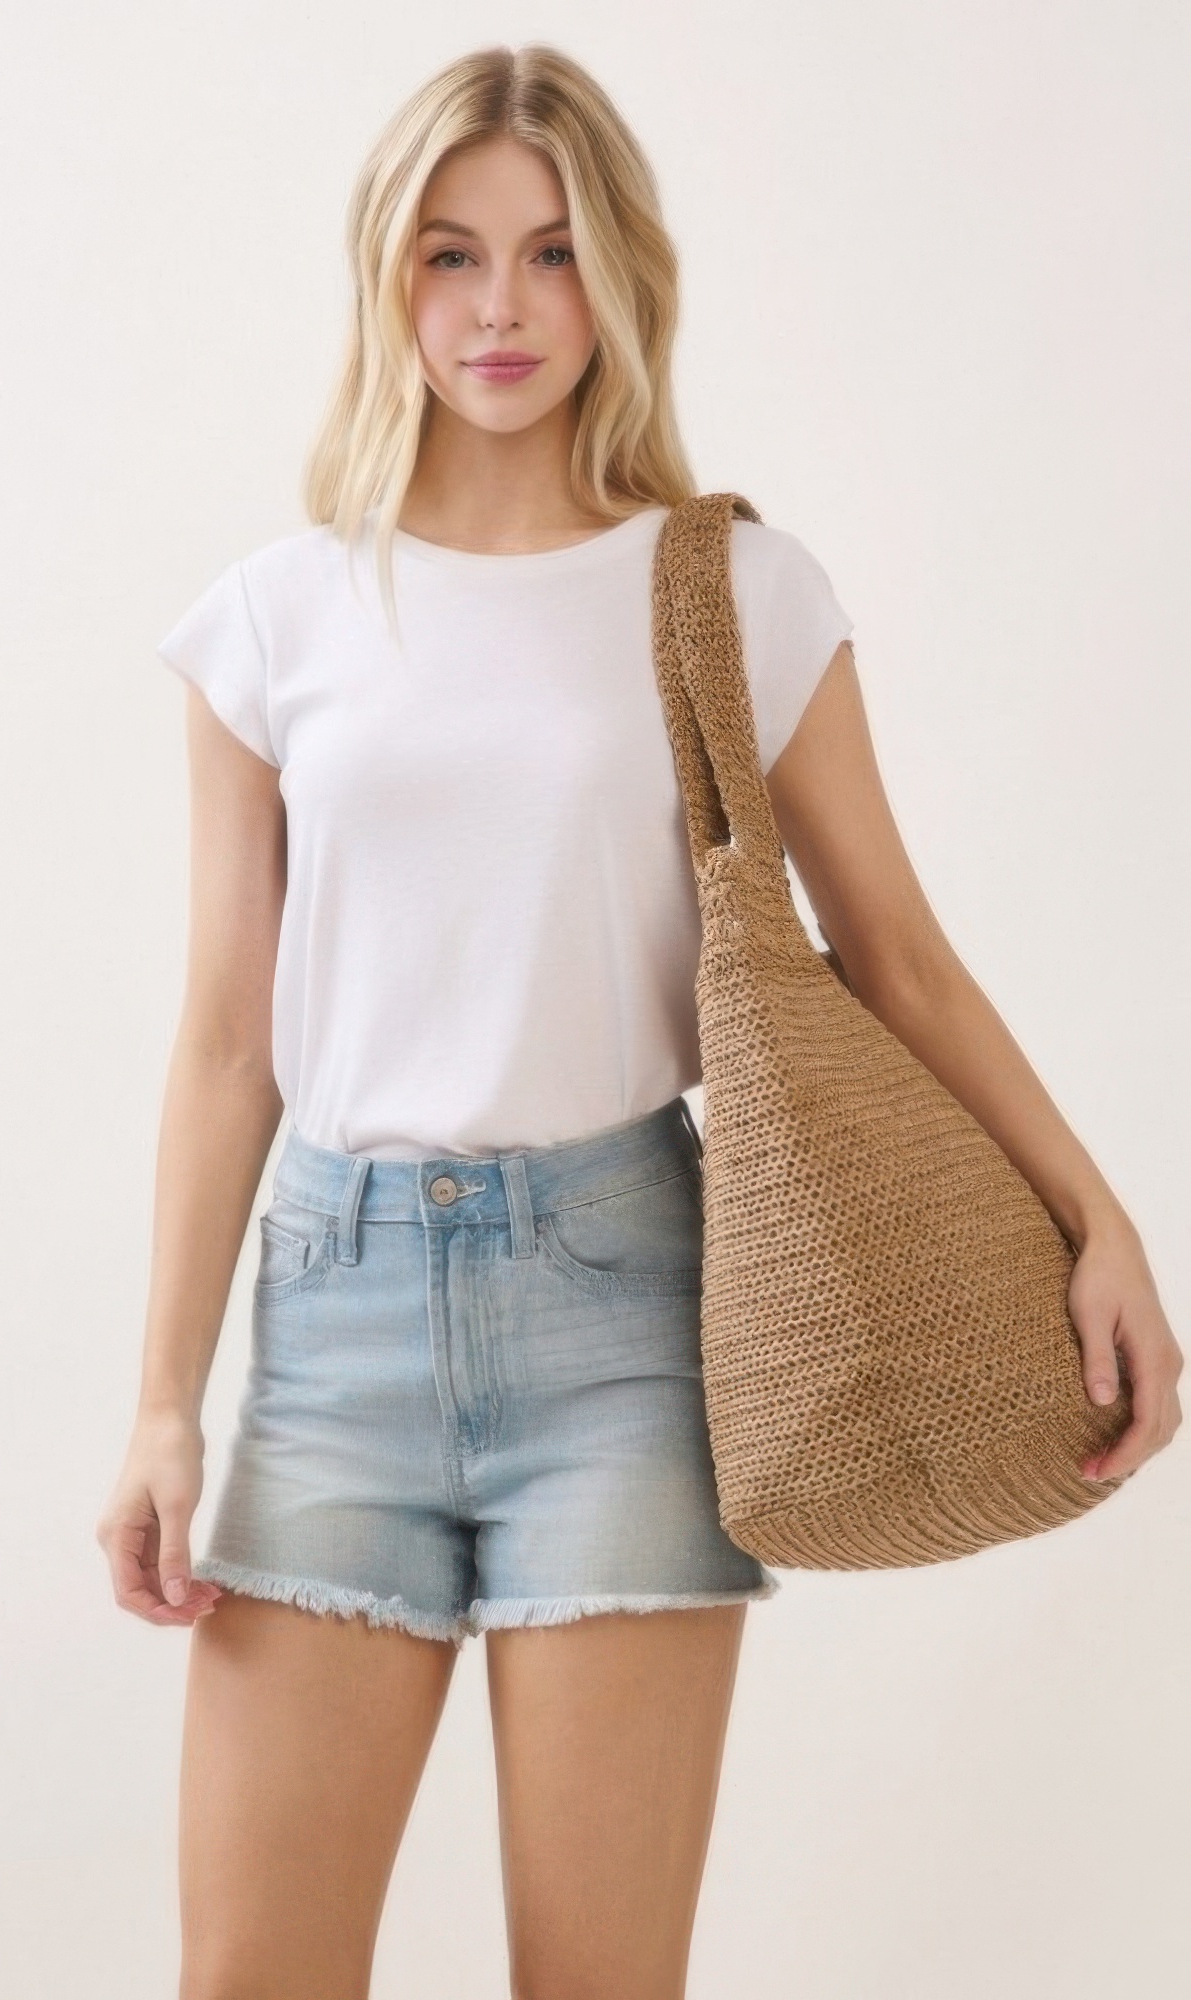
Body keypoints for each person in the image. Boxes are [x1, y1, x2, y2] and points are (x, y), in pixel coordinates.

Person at [96, 41, 1182, 2000]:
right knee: (249, 1973)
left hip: (624, 1323)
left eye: (552, 253)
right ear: (387, 276)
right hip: (334, 1326)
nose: (501, 308)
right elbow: (226, 1044)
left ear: (621, 279)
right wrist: (166, 1399)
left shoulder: (736, 590)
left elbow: (897, 954)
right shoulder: (278, 615)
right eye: (450, 255)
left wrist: (1094, 1218)